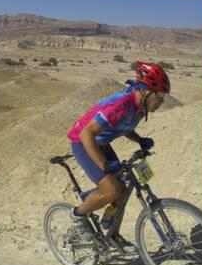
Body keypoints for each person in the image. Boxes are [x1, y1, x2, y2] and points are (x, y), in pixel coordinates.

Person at [66, 61, 170, 253]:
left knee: (124, 186)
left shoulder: (140, 108)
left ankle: (113, 236)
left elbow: (124, 127)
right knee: (113, 189)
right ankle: (78, 215)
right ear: (146, 91)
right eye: (161, 95)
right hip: (83, 141)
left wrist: (140, 140)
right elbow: (86, 134)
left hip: (100, 142)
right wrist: (104, 164)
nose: (162, 101)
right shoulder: (121, 104)